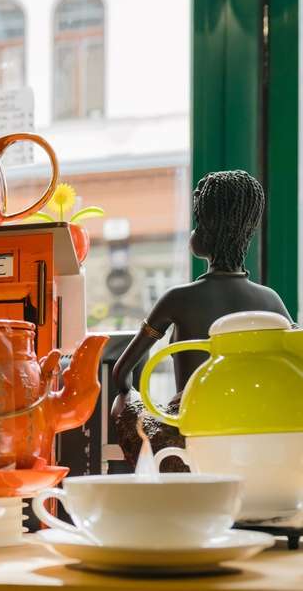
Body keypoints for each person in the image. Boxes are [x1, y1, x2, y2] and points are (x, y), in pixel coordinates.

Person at [110, 170, 290, 464]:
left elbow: (121, 372)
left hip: (188, 436)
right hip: (252, 436)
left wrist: (134, 398)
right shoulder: (270, 300)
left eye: (198, 223)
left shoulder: (178, 298)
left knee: (124, 401)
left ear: (208, 230)